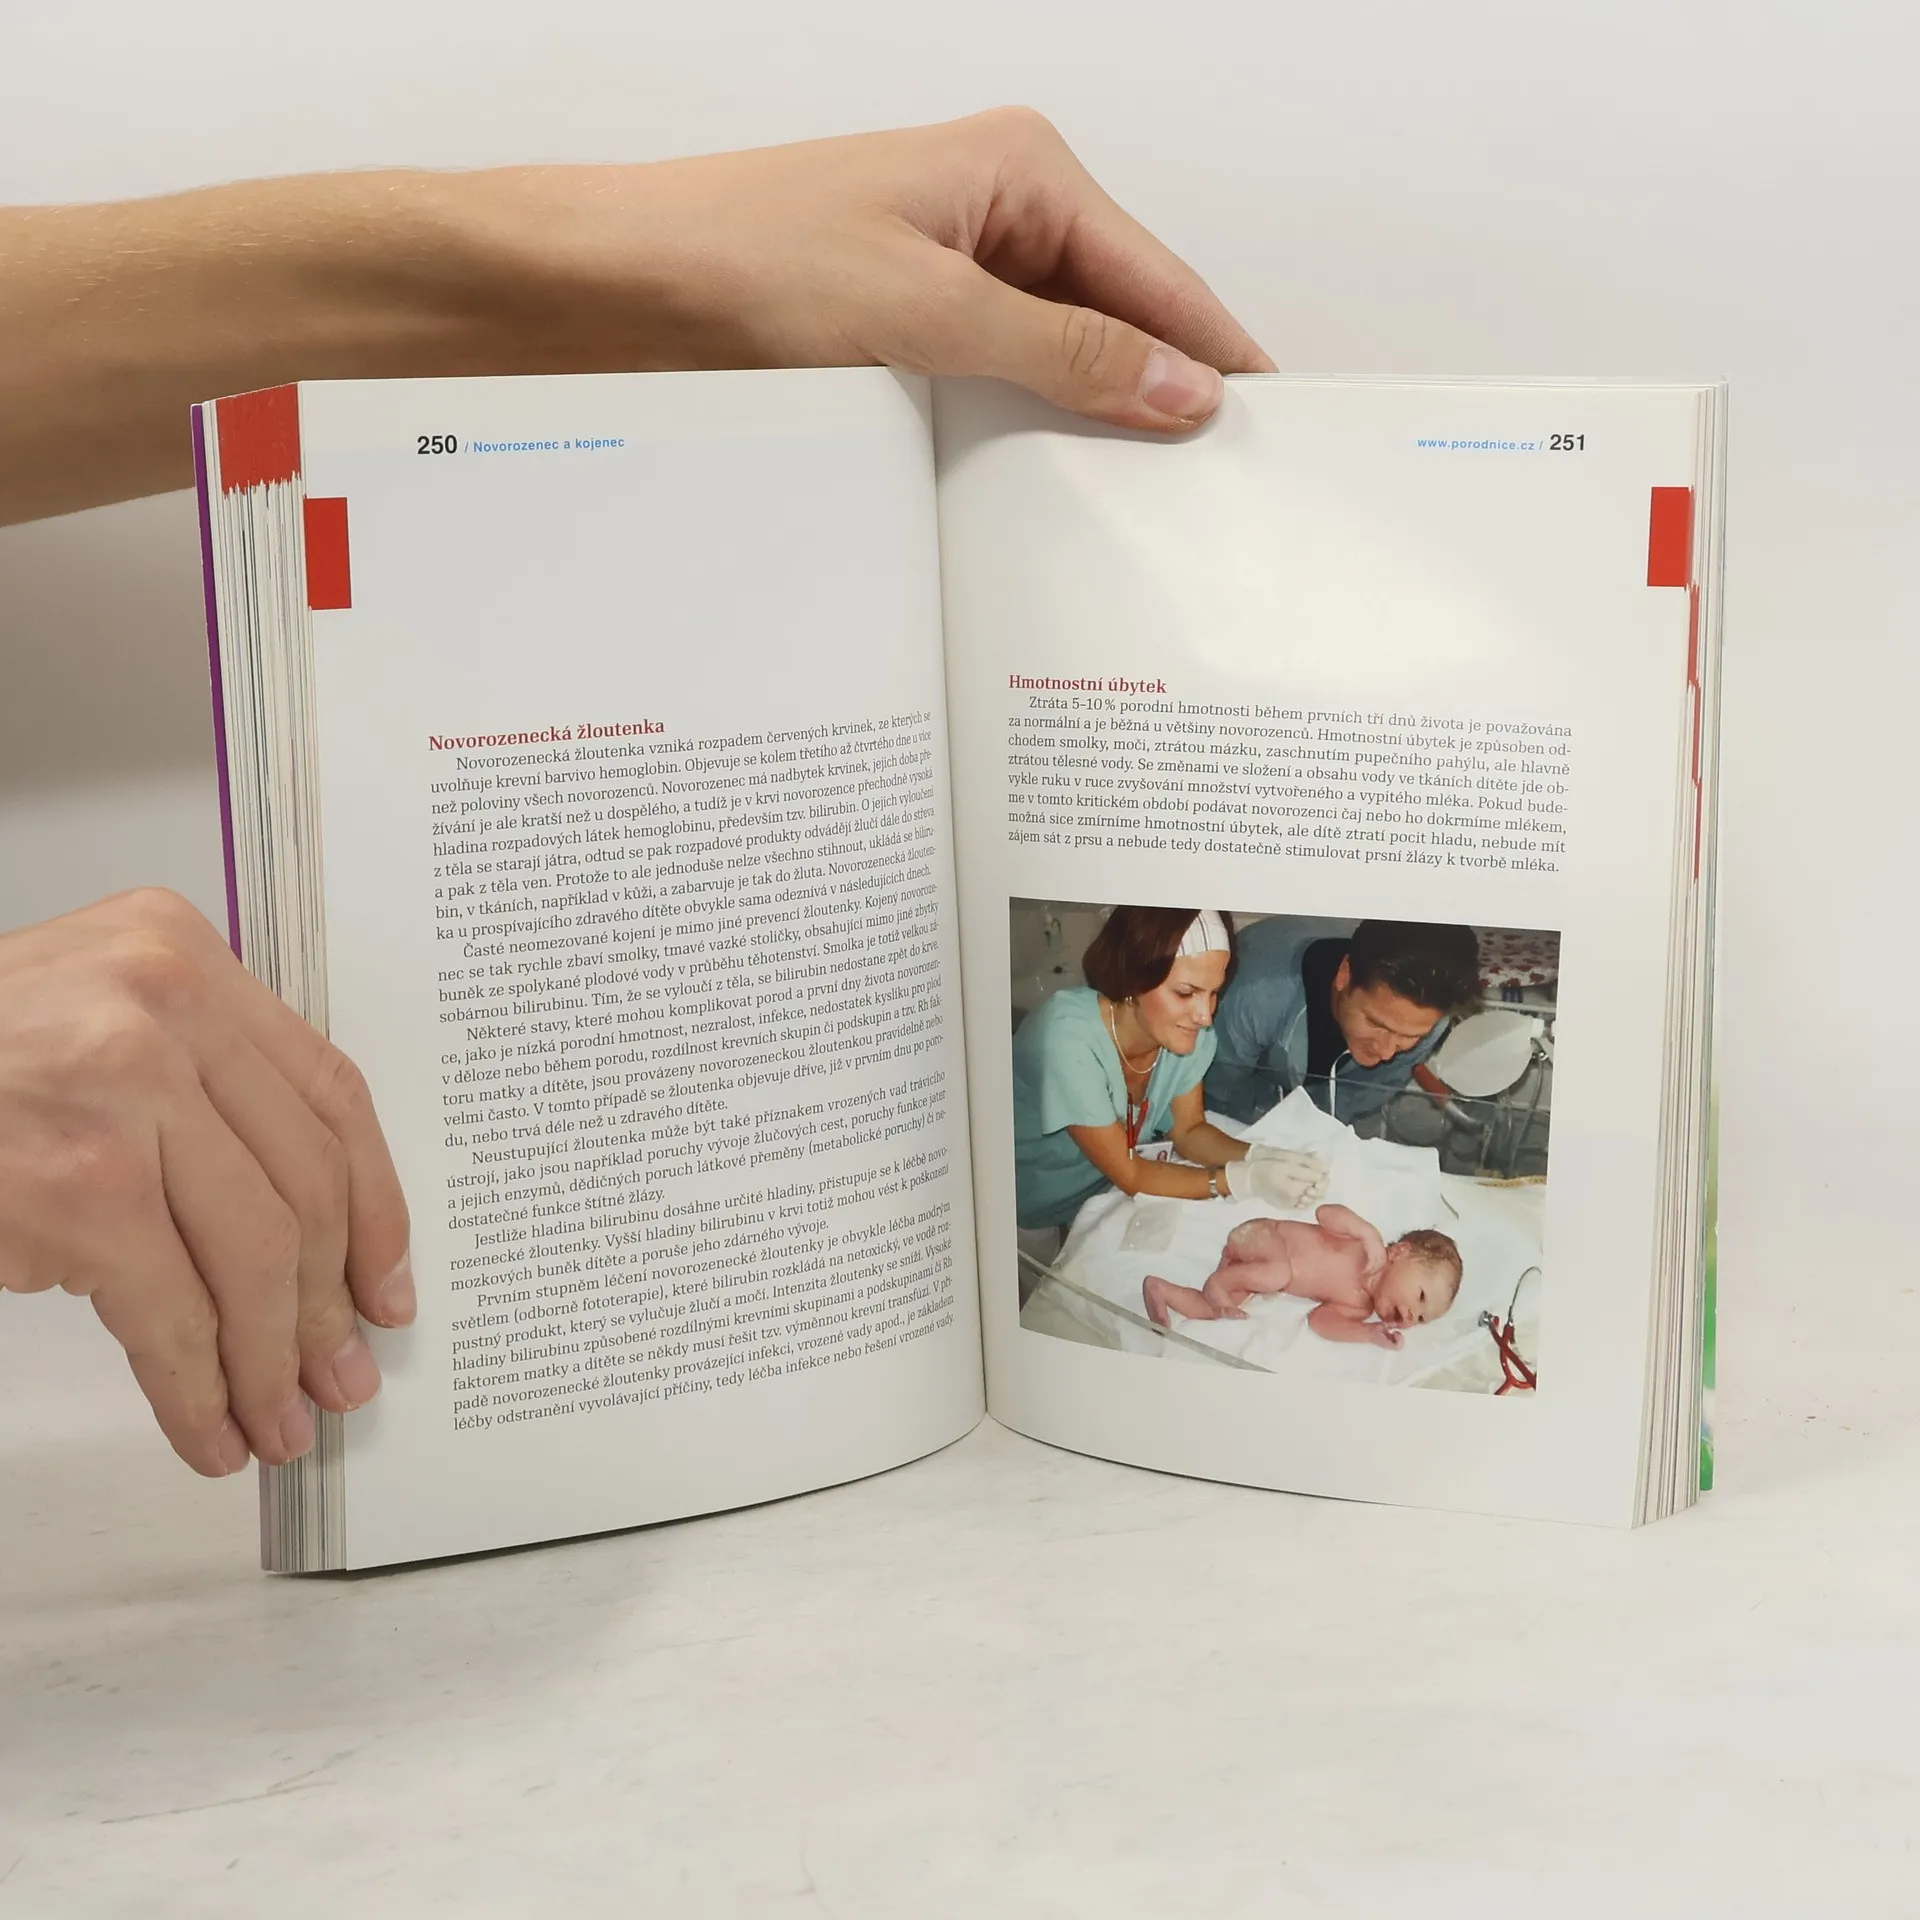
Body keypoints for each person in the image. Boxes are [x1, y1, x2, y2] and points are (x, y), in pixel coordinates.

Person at [0, 110, 1275, 1478]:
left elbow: (1182, 1130)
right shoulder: (1081, 1030)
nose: (1203, 1011)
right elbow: (1147, 1161)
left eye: (1212, 992)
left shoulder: (1176, 1043)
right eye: (1193, 986)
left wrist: (601, 261)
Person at [1011, 908, 1326, 1250]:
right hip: (1024, 1199)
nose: (1205, 1016)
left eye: (1214, 993)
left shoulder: (1189, 1037)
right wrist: (1240, 1180)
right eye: (1186, 993)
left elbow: (1189, 1131)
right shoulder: (1067, 1038)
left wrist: (1260, 1156)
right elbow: (1132, 1174)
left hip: (1098, 1190)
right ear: (1133, 978)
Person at [1204, 917, 1482, 1129]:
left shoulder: (1429, 1021)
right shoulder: (1253, 996)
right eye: (1377, 1023)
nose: (1387, 1052)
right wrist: (1265, 1134)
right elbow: (1220, 1092)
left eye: (1409, 1036)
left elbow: (1356, 1097)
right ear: (1344, 975)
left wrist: (1310, 1133)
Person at [1142, 1211, 1462, 1348]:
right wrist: (1365, 1231)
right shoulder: (1366, 1245)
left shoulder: (1359, 1306)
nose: (1411, 1316)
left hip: (1254, 1273)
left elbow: (1320, 1321)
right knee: (1278, 1274)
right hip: (1263, 1236)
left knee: (1216, 1310)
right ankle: (1218, 1284)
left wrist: (1366, 1333)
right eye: (1420, 1297)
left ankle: (1161, 1291)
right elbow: (1325, 1213)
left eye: (1421, 1318)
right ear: (1400, 1252)